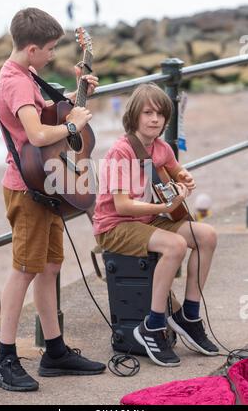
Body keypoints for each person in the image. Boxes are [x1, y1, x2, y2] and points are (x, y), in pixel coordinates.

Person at [0, 7, 105, 392]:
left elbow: (45, 111)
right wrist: (74, 124)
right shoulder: (16, 82)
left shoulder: (27, 74)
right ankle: (3, 359)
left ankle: (54, 350)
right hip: (26, 187)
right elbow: (38, 134)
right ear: (32, 48)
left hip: (44, 183)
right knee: (23, 269)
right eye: (51, 49)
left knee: (51, 266)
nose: (54, 54)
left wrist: (75, 95)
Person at [93, 83, 219, 367]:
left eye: (160, 114)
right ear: (134, 116)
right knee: (174, 245)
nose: (154, 119)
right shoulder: (120, 152)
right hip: (115, 226)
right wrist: (163, 207)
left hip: (148, 218)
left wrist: (185, 179)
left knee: (206, 236)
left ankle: (188, 314)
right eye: (147, 112)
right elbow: (123, 206)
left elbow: (176, 169)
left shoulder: (160, 148)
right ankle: (153, 324)